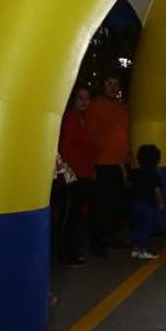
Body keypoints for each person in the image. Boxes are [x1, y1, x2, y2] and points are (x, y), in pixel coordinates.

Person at [86, 72, 131, 253]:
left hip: (119, 165)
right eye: (109, 83)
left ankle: (112, 235)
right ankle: (97, 242)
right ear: (103, 85)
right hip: (101, 164)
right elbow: (89, 136)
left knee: (115, 204)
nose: (113, 87)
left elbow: (126, 134)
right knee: (99, 206)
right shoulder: (94, 106)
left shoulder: (122, 108)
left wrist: (128, 161)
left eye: (116, 84)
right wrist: (91, 164)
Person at [58, 86, 96, 265]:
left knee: (76, 215)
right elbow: (64, 147)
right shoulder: (71, 118)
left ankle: (71, 251)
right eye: (80, 98)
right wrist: (67, 175)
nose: (84, 102)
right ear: (73, 99)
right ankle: (65, 254)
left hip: (84, 174)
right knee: (70, 216)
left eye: (87, 98)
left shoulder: (83, 119)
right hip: (73, 176)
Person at [129, 144, 164, 260]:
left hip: (134, 204)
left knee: (136, 227)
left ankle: (135, 249)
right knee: (146, 228)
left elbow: (129, 184)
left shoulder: (135, 172)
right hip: (148, 205)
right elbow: (157, 190)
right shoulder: (154, 174)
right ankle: (143, 250)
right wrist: (161, 203)